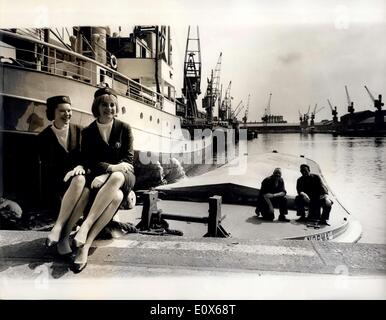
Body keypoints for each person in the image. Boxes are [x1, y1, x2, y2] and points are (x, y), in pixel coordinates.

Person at [72, 87, 136, 273]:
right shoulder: (88, 132)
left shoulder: (124, 128)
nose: (109, 108)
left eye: (112, 105)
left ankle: (85, 226)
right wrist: (109, 168)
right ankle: (86, 245)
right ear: (97, 107)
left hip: (125, 174)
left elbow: (128, 159)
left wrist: (107, 172)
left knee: (116, 177)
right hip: (109, 178)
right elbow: (89, 160)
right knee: (115, 197)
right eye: (105, 105)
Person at [38, 95, 90, 255]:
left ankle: (60, 232)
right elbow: (46, 169)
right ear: (52, 113)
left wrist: (81, 166)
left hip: (80, 179)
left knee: (82, 183)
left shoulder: (81, 131)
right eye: (62, 111)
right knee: (82, 187)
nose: (67, 114)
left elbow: (90, 158)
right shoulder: (43, 138)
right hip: (58, 184)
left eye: (69, 110)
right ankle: (63, 236)